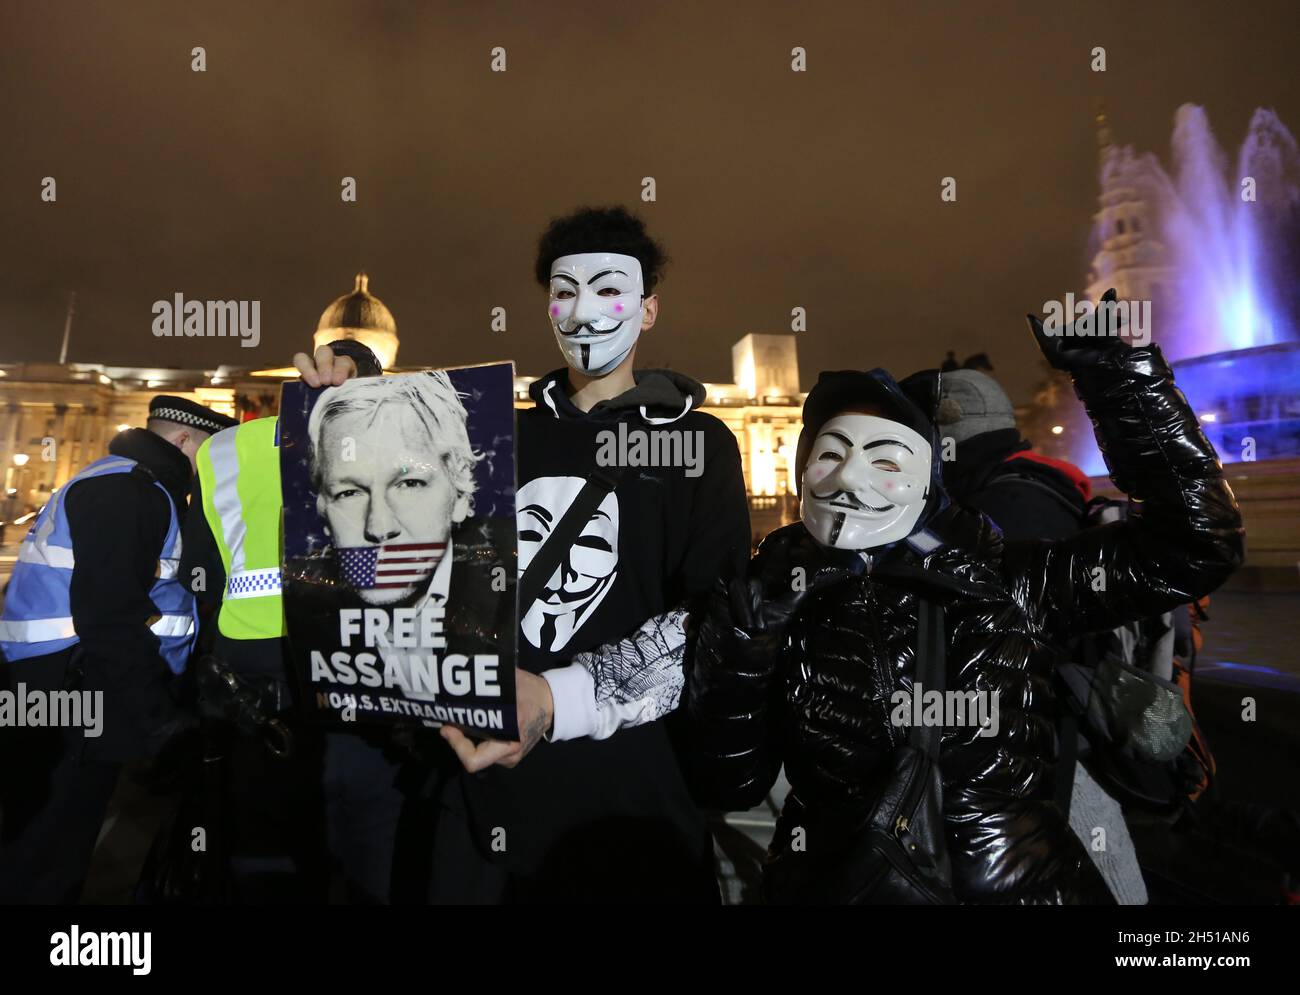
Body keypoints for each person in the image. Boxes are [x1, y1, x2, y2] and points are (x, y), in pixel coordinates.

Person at [686, 294, 1244, 904]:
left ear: (928, 477)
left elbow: (1196, 544)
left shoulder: (1011, 582)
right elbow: (729, 783)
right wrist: (741, 653)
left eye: (883, 457)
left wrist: (1118, 380)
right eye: (830, 454)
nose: (848, 477)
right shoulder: (772, 601)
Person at [292, 205, 753, 903]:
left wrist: (554, 698)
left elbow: (712, 625)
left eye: (609, 290)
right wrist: (339, 422)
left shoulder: (699, 446)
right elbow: (397, 571)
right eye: (564, 292)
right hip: (480, 802)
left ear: (648, 310)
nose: (584, 311)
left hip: (624, 813)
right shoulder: (492, 433)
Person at [0, 395, 237, 903]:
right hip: (73, 699)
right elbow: (108, 616)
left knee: (42, 843)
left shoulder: (120, 480)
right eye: (211, 452)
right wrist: (161, 721)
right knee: (47, 856)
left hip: (58, 691)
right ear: (183, 441)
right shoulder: (132, 492)